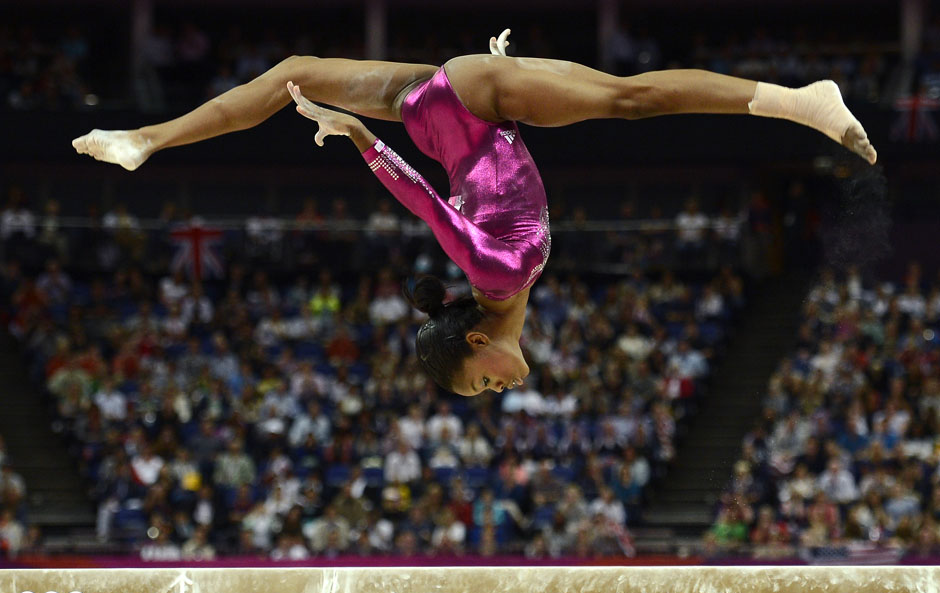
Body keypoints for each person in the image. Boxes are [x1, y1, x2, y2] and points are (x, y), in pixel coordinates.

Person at [72, 29, 877, 394]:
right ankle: (146, 137)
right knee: (291, 71)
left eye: (480, 384)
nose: (499, 389)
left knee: (630, 101)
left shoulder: (498, 274)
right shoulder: (510, 284)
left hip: (465, 100)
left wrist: (358, 139)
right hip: (449, 106)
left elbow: (426, 203)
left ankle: (799, 101)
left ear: (480, 341)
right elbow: (489, 182)